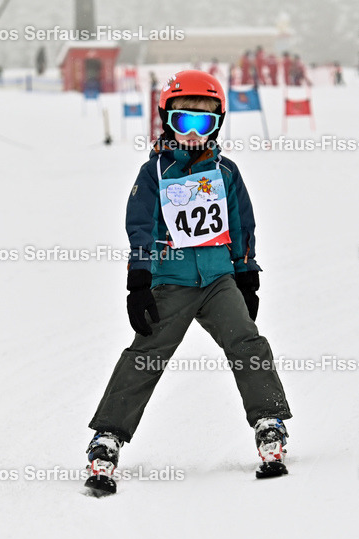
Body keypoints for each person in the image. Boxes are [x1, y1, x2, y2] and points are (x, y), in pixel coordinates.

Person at [82, 70, 293, 497]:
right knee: (147, 353)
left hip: (218, 280)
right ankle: (108, 436)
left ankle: (269, 422)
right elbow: (140, 227)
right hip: (171, 282)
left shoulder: (226, 172)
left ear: (217, 123)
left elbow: (242, 224)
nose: (193, 133)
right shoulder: (155, 172)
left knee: (247, 342)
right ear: (167, 121)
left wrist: (246, 274)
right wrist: (139, 280)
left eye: (203, 122)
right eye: (183, 122)